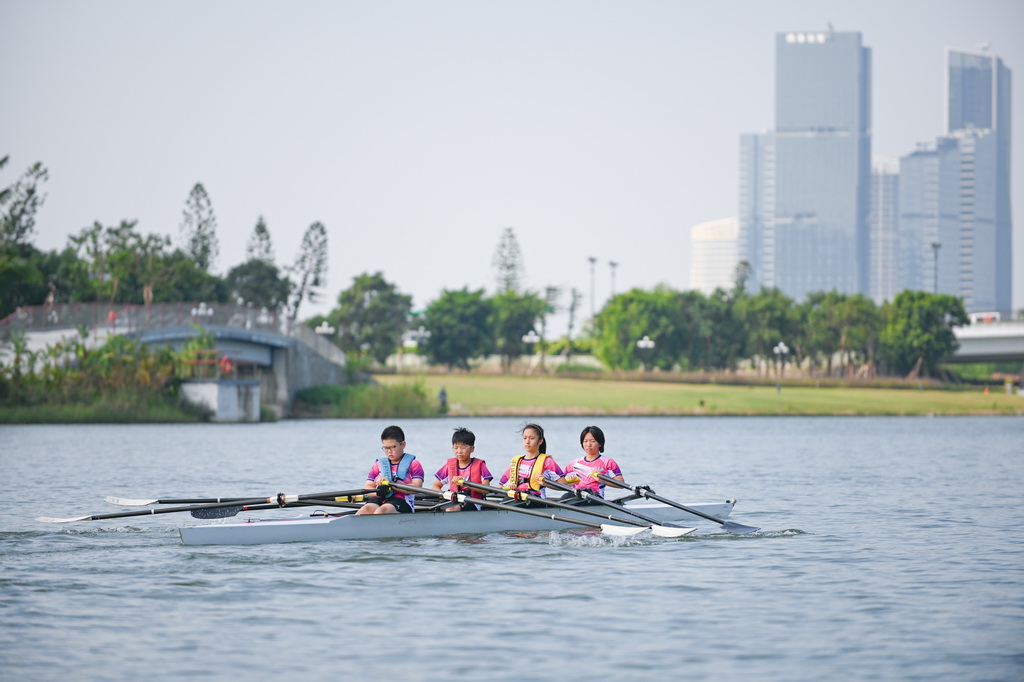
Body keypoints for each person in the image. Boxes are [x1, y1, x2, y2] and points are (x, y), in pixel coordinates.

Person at [355, 425, 425, 515]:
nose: (389, 451)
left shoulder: (414, 464)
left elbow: (417, 487)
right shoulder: (378, 465)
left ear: (403, 444)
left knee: (381, 511)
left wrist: (392, 485)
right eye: (385, 448)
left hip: (402, 500)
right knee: (365, 509)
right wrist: (378, 492)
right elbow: (368, 487)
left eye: (393, 447)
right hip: (380, 497)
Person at [498, 423, 565, 503]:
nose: (527, 442)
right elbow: (501, 486)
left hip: (536, 498)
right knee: (502, 504)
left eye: (531, 438)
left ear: (540, 441)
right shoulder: (516, 462)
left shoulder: (547, 462)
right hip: (517, 497)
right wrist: (510, 487)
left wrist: (546, 483)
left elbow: (563, 484)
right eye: (525, 438)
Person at [431, 427, 493, 511]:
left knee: (450, 508)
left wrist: (465, 484)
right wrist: (445, 494)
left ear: (472, 449)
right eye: (456, 448)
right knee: (440, 507)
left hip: (474, 501)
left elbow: (486, 489)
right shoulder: (449, 465)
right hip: (454, 498)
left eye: (463, 448)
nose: (459, 451)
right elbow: (435, 486)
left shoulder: (480, 465)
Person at [560, 425, 624, 503]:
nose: (588, 444)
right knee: (564, 498)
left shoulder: (607, 462)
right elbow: (561, 483)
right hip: (576, 494)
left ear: (600, 443)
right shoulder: (574, 463)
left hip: (595, 496)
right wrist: (569, 483)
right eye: (585, 441)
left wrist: (602, 480)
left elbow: (621, 483)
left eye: (593, 441)